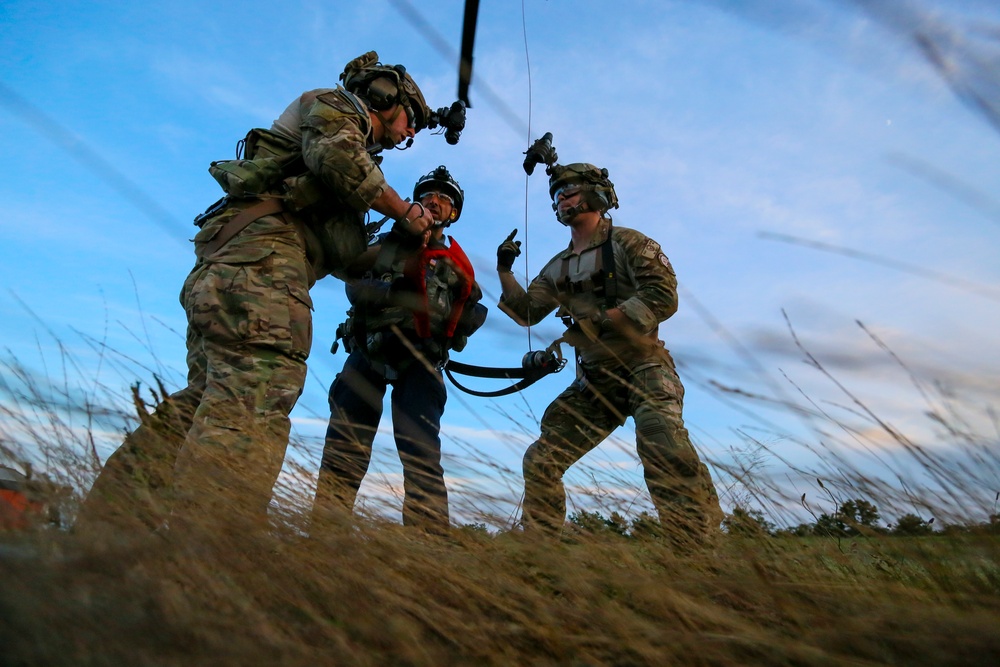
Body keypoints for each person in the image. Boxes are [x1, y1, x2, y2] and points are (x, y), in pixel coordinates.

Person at [77, 51, 444, 538]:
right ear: (385, 95)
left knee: (210, 401)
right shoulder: (337, 108)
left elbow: (344, 257)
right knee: (251, 407)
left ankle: (105, 533)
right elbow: (337, 158)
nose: (411, 134)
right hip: (262, 270)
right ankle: (214, 557)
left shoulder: (343, 159)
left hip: (239, 269)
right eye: (411, 119)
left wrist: (404, 248)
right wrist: (403, 211)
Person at [495, 161, 722, 545]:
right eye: (556, 192)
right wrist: (505, 270)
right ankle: (539, 548)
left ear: (597, 195)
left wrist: (605, 320)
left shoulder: (629, 244)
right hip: (595, 380)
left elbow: (663, 296)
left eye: (571, 188)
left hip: (643, 365)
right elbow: (526, 313)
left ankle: (695, 547)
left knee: (661, 441)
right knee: (541, 460)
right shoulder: (559, 266)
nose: (561, 196)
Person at [312, 166, 487, 534]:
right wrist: (390, 292)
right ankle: (324, 538)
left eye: (443, 199)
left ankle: (429, 546)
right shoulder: (385, 246)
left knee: (421, 455)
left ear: (452, 214)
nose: (433, 202)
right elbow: (350, 278)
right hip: (368, 352)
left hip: (421, 361)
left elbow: (471, 309)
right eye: (427, 196)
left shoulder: (459, 266)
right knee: (344, 448)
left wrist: (462, 320)